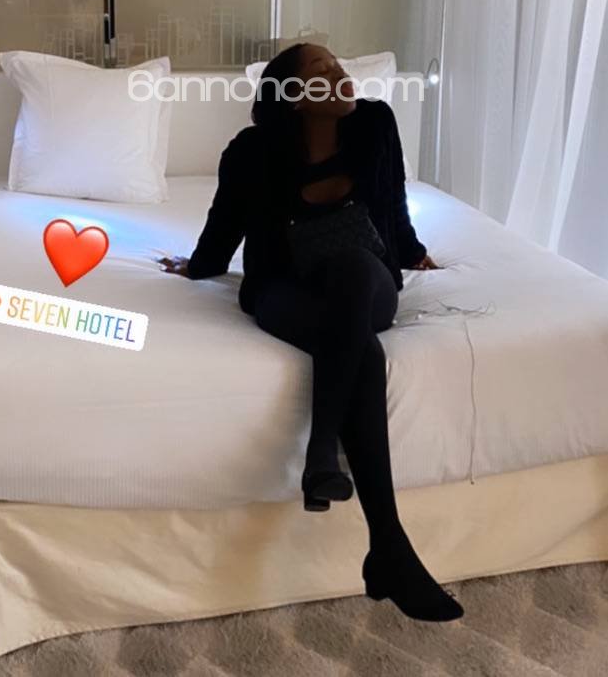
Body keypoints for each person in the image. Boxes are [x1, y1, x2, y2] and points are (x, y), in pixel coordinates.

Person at [159, 43, 464, 622]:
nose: (340, 73)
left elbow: (393, 201)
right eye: (322, 69)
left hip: (367, 281)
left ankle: (322, 449)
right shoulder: (251, 152)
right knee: (360, 352)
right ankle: (389, 548)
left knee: (352, 269)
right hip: (284, 289)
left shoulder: (374, 124)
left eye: (338, 64)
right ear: (294, 96)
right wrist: (196, 267)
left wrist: (412, 251)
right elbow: (224, 227)